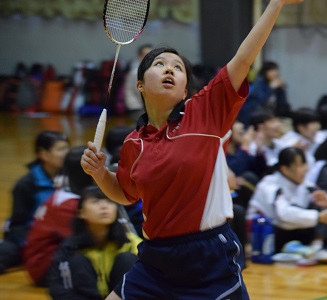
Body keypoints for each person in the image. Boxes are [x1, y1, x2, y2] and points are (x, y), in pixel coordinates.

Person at [80, 1, 306, 299]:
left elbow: (243, 59)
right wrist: (99, 173)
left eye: (177, 67)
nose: (169, 69)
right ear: (140, 86)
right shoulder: (134, 143)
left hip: (208, 258)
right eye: (159, 65)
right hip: (156, 260)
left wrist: (275, 4)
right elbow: (126, 193)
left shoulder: (205, 113)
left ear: (186, 89)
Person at [247, 147, 327, 263]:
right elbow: (283, 215)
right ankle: (311, 249)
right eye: (299, 165)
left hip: (292, 230)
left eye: (304, 164)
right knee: (315, 214)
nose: (304, 169)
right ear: (285, 169)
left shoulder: (306, 184)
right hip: (266, 235)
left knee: (320, 207)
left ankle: (317, 246)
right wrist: (319, 217)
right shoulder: (270, 185)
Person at [48, 185, 141, 300]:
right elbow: (57, 288)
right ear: (80, 213)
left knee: (127, 258)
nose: (104, 206)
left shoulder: (130, 241)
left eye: (109, 201)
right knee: (77, 260)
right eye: (95, 201)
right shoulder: (70, 248)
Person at [0, 130, 69, 274]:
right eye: (60, 149)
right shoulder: (25, 185)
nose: (66, 153)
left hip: (61, 237)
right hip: (32, 239)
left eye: (67, 148)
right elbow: (17, 225)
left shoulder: (71, 177)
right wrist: (34, 245)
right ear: (43, 154)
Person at [23, 146, 94, 286]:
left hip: (47, 260)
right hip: (44, 268)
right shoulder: (69, 205)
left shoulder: (66, 192)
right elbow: (85, 240)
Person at [238, 61, 291, 126]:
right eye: (271, 70)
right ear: (265, 72)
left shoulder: (277, 86)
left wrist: (281, 90)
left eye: (275, 70)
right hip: (253, 115)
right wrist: (271, 88)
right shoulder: (258, 83)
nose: (274, 73)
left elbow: (282, 105)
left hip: (270, 117)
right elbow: (259, 100)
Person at [124, 44, 153, 119]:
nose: (150, 57)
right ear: (140, 56)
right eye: (146, 54)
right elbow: (139, 92)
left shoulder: (150, 69)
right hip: (137, 107)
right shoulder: (136, 71)